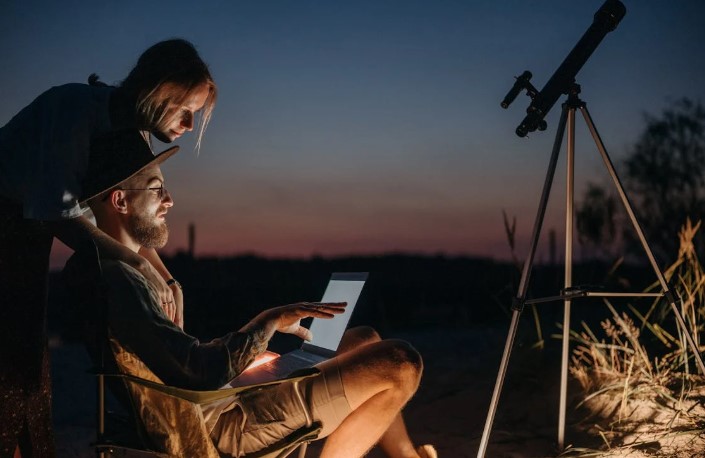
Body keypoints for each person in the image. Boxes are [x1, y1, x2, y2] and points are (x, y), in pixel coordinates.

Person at [63, 130, 438, 458]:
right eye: (158, 189)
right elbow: (196, 373)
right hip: (224, 421)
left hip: (222, 396)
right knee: (400, 362)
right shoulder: (122, 282)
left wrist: (253, 355)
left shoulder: (120, 268)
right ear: (120, 201)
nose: (170, 200)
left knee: (366, 339)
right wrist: (267, 323)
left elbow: (179, 357)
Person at [0, 39, 216, 458]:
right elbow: (57, 215)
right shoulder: (74, 112)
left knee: (28, 356)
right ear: (157, 91)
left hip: (26, 233)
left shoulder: (131, 131)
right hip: (7, 223)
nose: (190, 125)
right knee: (11, 362)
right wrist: (141, 265)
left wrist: (168, 277)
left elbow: (124, 221)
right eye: (185, 109)